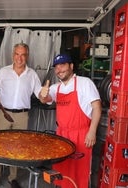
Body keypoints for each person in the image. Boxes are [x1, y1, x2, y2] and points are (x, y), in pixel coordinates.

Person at [39, 54, 102, 188]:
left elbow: (97, 107)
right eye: (56, 67)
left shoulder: (85, 83)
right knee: (62, 170)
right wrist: (42, 94)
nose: (59, 69)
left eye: (62, 65)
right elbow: (45, 99)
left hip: (82, 135)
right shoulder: (57, 87)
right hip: (62, 135)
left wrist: (92, 132)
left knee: (80, 171)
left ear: (71, 66)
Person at [0, 43, 42, 188]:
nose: (19, 58)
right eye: (17, 54)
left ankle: (13, 178)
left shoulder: (32, 74)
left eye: (23, 54)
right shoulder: (4, 71)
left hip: (22, 116)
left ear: (27, 56)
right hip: (3, 113)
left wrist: (45, 95)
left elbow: (39, 93)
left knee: (18, 147)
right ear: (13, 55)